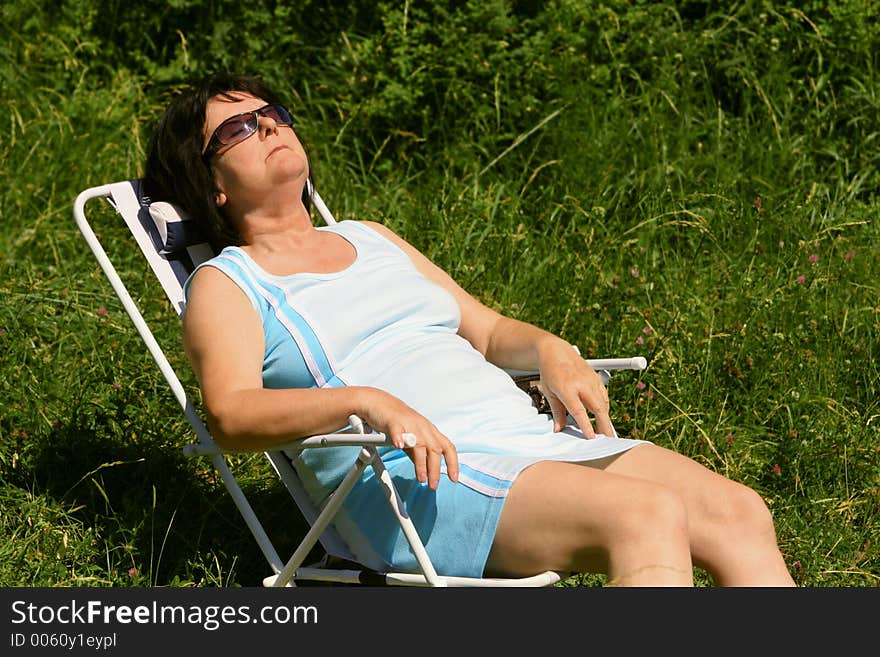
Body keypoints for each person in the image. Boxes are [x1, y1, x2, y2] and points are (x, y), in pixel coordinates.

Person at [144, 73, 795, 586]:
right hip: (412, 474)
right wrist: (367, 401)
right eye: (239, 128)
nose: (270, 129)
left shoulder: (369, 237)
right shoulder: (230, 283)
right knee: (645, 514)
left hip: (522, 441)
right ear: (211, 183)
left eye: (275, 116)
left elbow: (486, 332)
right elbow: (231, 414)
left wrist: (549, 348)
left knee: (738, 511)